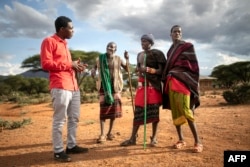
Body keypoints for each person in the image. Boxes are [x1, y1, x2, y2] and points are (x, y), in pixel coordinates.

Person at [40, 16, 89, 162]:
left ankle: (71, 146)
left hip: (73, 85)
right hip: (60, 86)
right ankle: (58, 151)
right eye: (71, 28)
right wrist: (69, 65)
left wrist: (76, 67)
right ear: (62, 29)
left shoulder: (65, 44)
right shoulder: (49, 41)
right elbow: (46, 64)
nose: (73, 30)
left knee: (74, 118)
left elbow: (66, 65)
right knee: (60, 120)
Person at [162, 25, 203, 153]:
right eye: (174, 31)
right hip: (171, 83)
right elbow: (167, 67)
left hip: (183, 83)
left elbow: (193, 67)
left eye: (179, 32)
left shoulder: (188, 47)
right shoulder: (170, 51)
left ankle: (198, 142)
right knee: (176, 112)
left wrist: (176, 72)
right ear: (170, 34)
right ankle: (181, 139)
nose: (177, 33)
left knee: (186, 111)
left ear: (181, 34)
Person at [120, 34, 166, 147]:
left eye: (145, 41)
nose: (142, 43)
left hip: (153, 87)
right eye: (141, 41)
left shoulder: (157, 53)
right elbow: (138, 69)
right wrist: (130, 62)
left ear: (151, 42)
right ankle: (132, 138)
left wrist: (149, 70)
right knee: (138, 113)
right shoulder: (140, 55)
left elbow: (161, 71)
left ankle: (154, 138)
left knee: (154, 112)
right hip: (142, 87)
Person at [91, 42, 129, 143]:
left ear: (115, 49)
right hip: (104, 86)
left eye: (113, 47)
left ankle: (109, 133)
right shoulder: (100, 58)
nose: (111, 48)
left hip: (115, 87)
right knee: (103, 110)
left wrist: (127, 58)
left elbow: (127, 69)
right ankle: (102, 134)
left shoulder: (119, 59)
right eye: (109, 46)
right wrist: (93, 71)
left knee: (113, 111)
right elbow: (94, 67)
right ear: (106, 47)